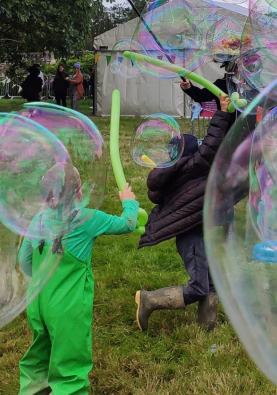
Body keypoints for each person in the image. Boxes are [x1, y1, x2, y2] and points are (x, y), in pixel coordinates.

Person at [18, 181, 139, 395]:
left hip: (37, 303)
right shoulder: (86, 219)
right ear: (79, 192)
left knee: (39, 354)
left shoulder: (38, 219)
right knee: (69, 366)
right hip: (67, 307)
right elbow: (127, 224)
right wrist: (129, 203)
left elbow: (24, 260)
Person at [134, 91, 232, 332]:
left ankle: (207, 327)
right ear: (190, 154)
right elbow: (212, 142)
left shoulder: (179, 172)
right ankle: (149, 300)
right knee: (200, 286)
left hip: (199, 232)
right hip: (193, 236)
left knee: (211, 284)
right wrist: (221, 112)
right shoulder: (194, 166)